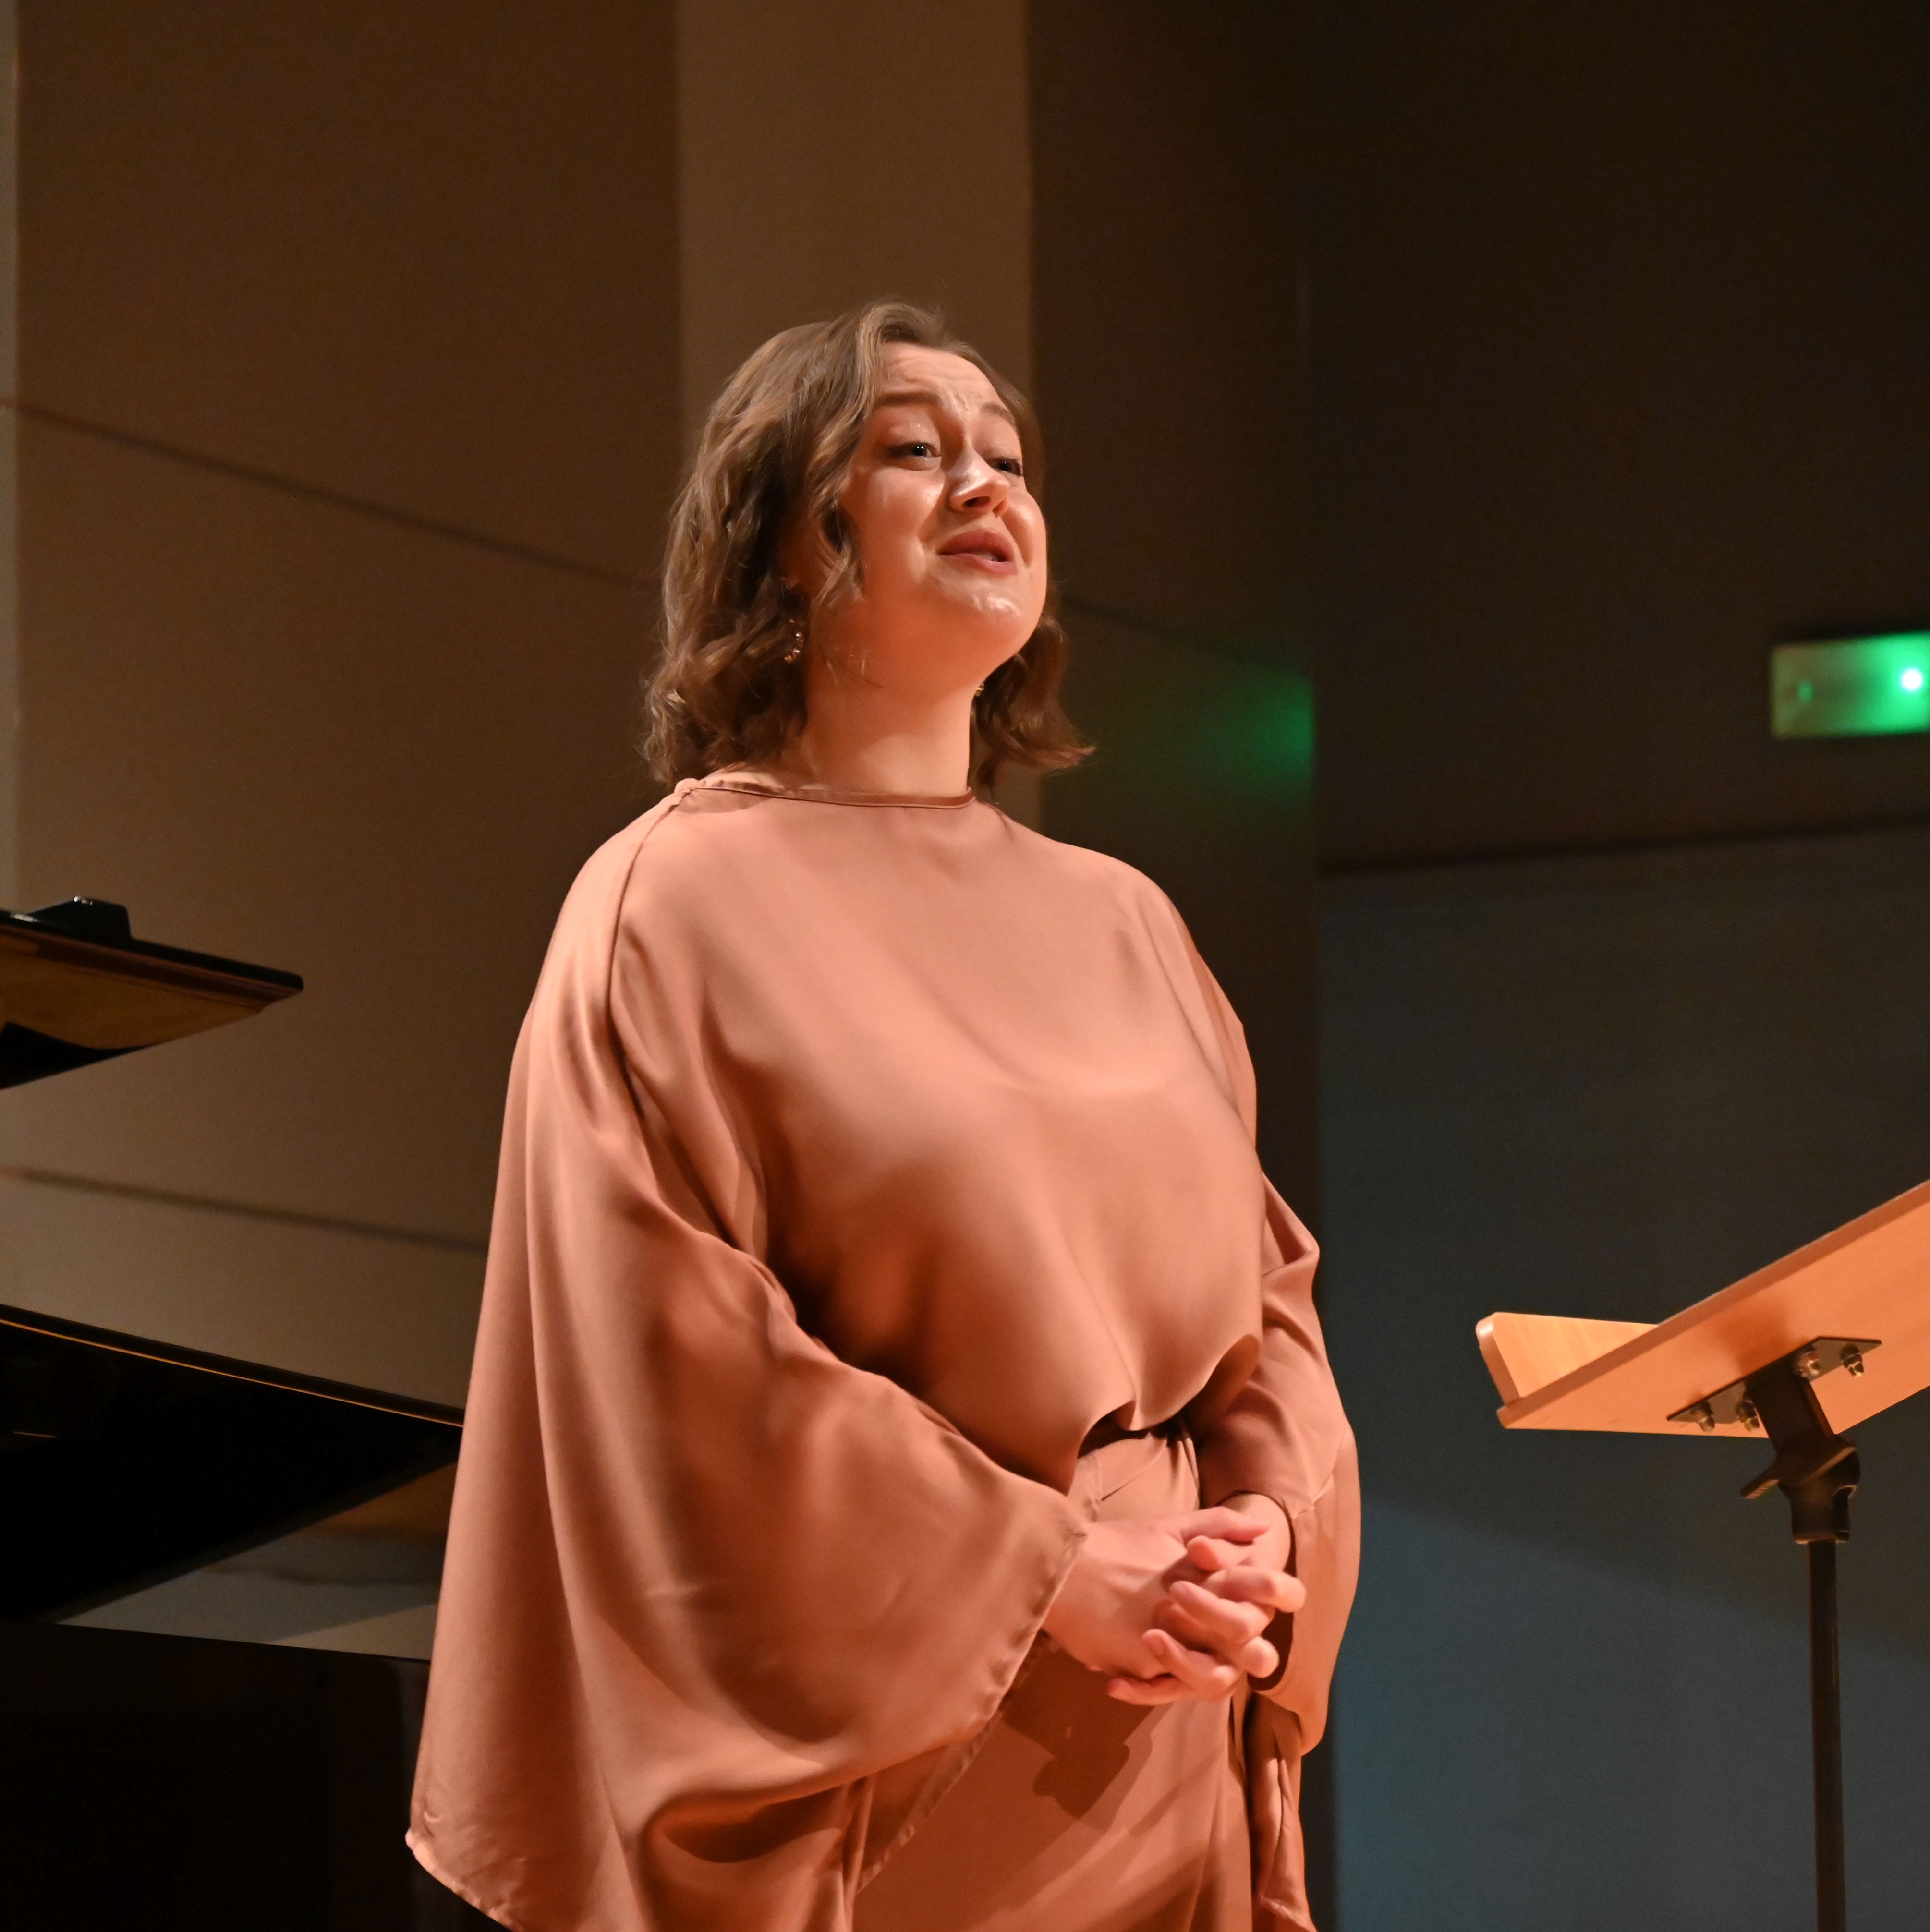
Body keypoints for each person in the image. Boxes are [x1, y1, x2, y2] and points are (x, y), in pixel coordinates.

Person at [410, 298, 1356, 1932]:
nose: (987, 487)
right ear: (781, 543)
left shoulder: (1127, 918)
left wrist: (1270, 1529)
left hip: (1167, 1730)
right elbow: (670, 1364)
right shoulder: (669, 905)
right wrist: (1047, 1574)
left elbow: (1268, 1308)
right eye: (914, 450)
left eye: (1010, 460)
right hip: (894, 1766)